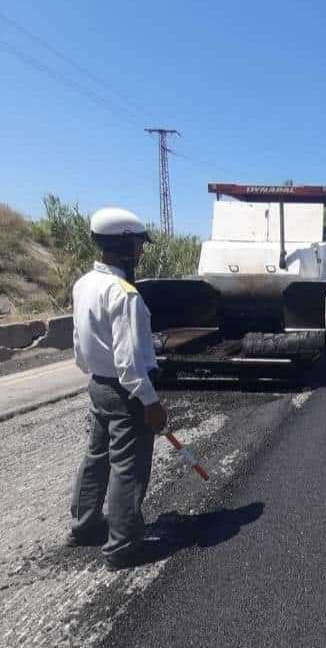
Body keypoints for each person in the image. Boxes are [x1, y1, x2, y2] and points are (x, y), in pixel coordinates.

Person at [67, 207, 168, 571]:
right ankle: (122, 547)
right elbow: (129, 363)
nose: (141, 251)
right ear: (124, 245)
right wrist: (150, 402)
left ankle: (84, 525)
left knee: (97, 457)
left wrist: (96, 375)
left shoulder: (83, 284)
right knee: (128, 468)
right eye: (139, 244)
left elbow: (78, 345)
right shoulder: (125, 294)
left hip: (98, 385)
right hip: (127, 393)